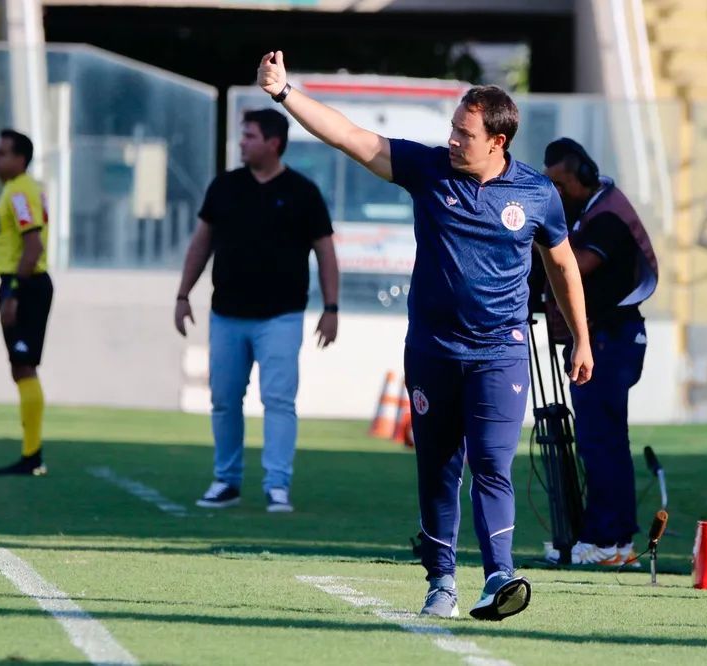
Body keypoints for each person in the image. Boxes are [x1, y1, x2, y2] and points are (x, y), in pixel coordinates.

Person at [257, 51, 592, 620]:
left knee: (492, 463)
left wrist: (580, 338)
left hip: (500, 352)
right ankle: (441, 581)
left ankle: (499, 577)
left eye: (465, 133)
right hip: (433, 351)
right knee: (439, 466)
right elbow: (351, 138)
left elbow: (562, 267)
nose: (453, 140)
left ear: (498, 142)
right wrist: (286, 93)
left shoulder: (537, 194)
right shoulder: (428, 169)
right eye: (453, 129)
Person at [174, 108, 339, 513]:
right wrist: (182, 295)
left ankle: (277, 485)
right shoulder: (225, 187)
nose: (242, 142)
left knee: (279, 401)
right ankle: (226, 481)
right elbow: (201, 244)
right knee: (225, 399)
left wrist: (331, 307)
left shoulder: (303, 192)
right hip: (226, 315)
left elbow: (326, 253)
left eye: (249, 136)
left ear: (273, 143)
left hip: (280, 317)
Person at [542, 138, 658, 566]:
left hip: (612, 338)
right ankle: (611, 539)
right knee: (602, 441)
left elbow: (576, 266)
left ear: (580, 177)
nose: (554, 192)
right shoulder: (595, 209)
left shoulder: (606, 217)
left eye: (559, 183)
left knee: (600, 441)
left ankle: (607, 541)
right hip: (608, 337)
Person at [0, 130, 54, 476]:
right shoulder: (16, 190)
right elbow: (16, 228)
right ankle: (31, 454)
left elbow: (33, 247)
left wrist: (14, 293)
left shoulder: (19, 191)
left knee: (24, 366)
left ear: (20, 159)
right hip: (22, 283)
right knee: (20, 367)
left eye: (1, 153)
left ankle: (32, 456)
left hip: (26, 284)